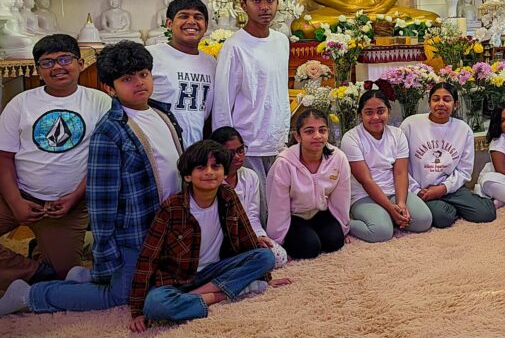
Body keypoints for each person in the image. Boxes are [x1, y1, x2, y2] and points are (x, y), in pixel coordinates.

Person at [1, 41, 185, 316]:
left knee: (82, 276)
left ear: (80, 63)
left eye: (143, 75)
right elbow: (103, 199)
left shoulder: (158, 112)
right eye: (126, 79)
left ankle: (73, 275)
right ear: (111, 88)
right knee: (119, 296)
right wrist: (15, 201)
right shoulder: (108, 129)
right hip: (122, 227)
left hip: (99, 211)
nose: (138, 83)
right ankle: (32, 291)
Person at [127, 140, 289, 333]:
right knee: (154, 305)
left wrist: (266, 277)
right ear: (188, 176)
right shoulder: (172, 208)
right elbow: (148, 258)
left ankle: (199, 296)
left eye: (216, 166)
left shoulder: (228, 196)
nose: (209, 172)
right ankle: (222, 294)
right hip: (178, 279)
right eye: (201, 167)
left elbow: (247, 237)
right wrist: (137, 310)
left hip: (216, 270)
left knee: (266, 256)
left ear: (224, 173)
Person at [0, 35, 111, 290]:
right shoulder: (21, 103)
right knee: (48, 277)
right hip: (17, 195)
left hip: (66, 205)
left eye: (65, 59)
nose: (57, 67)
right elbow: (4, 156)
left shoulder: (99, 102)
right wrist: (15, 201)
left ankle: (44, 255)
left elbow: (102, 161)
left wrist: (74, 198)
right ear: (38, 71)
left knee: (64, 276)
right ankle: (35, 270)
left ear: (81, 64)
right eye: (47, 63)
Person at [213, 0, 291, 223]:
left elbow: (278, 90)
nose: (265, 7)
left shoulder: (281, 41)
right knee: (255, 212)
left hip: (277, 139)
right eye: (256, 0)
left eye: (270, 0)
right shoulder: (235, 46)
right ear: (242, 4)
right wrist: (226, 149)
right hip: (248, 143)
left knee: (280, 207)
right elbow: (223, 101)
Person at [400, 83, 496, 228]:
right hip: (422, 190)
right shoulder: (410, 125)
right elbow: (401, 167)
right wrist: (416, 190)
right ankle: (453, 207)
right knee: (443, 217)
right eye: (436, 99)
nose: (441, 104)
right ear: (429, 102)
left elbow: (464, 170)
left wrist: (443, 188)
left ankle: (468, 200)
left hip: (450, 188)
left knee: (486, 214)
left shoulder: (463, 129)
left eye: (447, 99)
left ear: (455, 104)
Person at [341, 91, 432, 243]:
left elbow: (401, 173)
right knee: (381, 232)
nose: (376, 117)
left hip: (393, 191)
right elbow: (366, 180)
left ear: (388, 111)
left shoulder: (397, 134)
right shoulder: (351, 138)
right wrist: (391, 208)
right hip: (364, 195)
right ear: (360, 115)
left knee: (424, 220)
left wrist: (401, 203)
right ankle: (344, 223)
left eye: (381, 111)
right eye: (369, 113)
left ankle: (389, 216)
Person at [266, 109, 351, 260]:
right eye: (309, 131)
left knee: (335, 242)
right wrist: (277, 240)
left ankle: (314, 233)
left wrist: (343, 227)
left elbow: (341, 198)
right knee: (308, 248)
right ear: (298, 136)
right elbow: (278, 206)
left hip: (319, 212)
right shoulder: (284, 163)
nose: (317, 136)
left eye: (322, 130)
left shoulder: (338, 158)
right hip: (293, 216)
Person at [210, 127, 288, 267]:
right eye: (230, 153)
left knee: (278, 256)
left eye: (240, 150)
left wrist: (259, 236)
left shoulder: (250, 176)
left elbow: (252, 216)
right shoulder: (210, 180)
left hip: (246, 236)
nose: (238, 157)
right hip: (218, 241)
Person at [149, 0, 215, 147]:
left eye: (198, 17)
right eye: (184, 16)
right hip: (157, 146)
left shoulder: (211, 62)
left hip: (195, 150)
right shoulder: (152, 56)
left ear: (205, 26)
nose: (191, 21)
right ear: (169, 23)